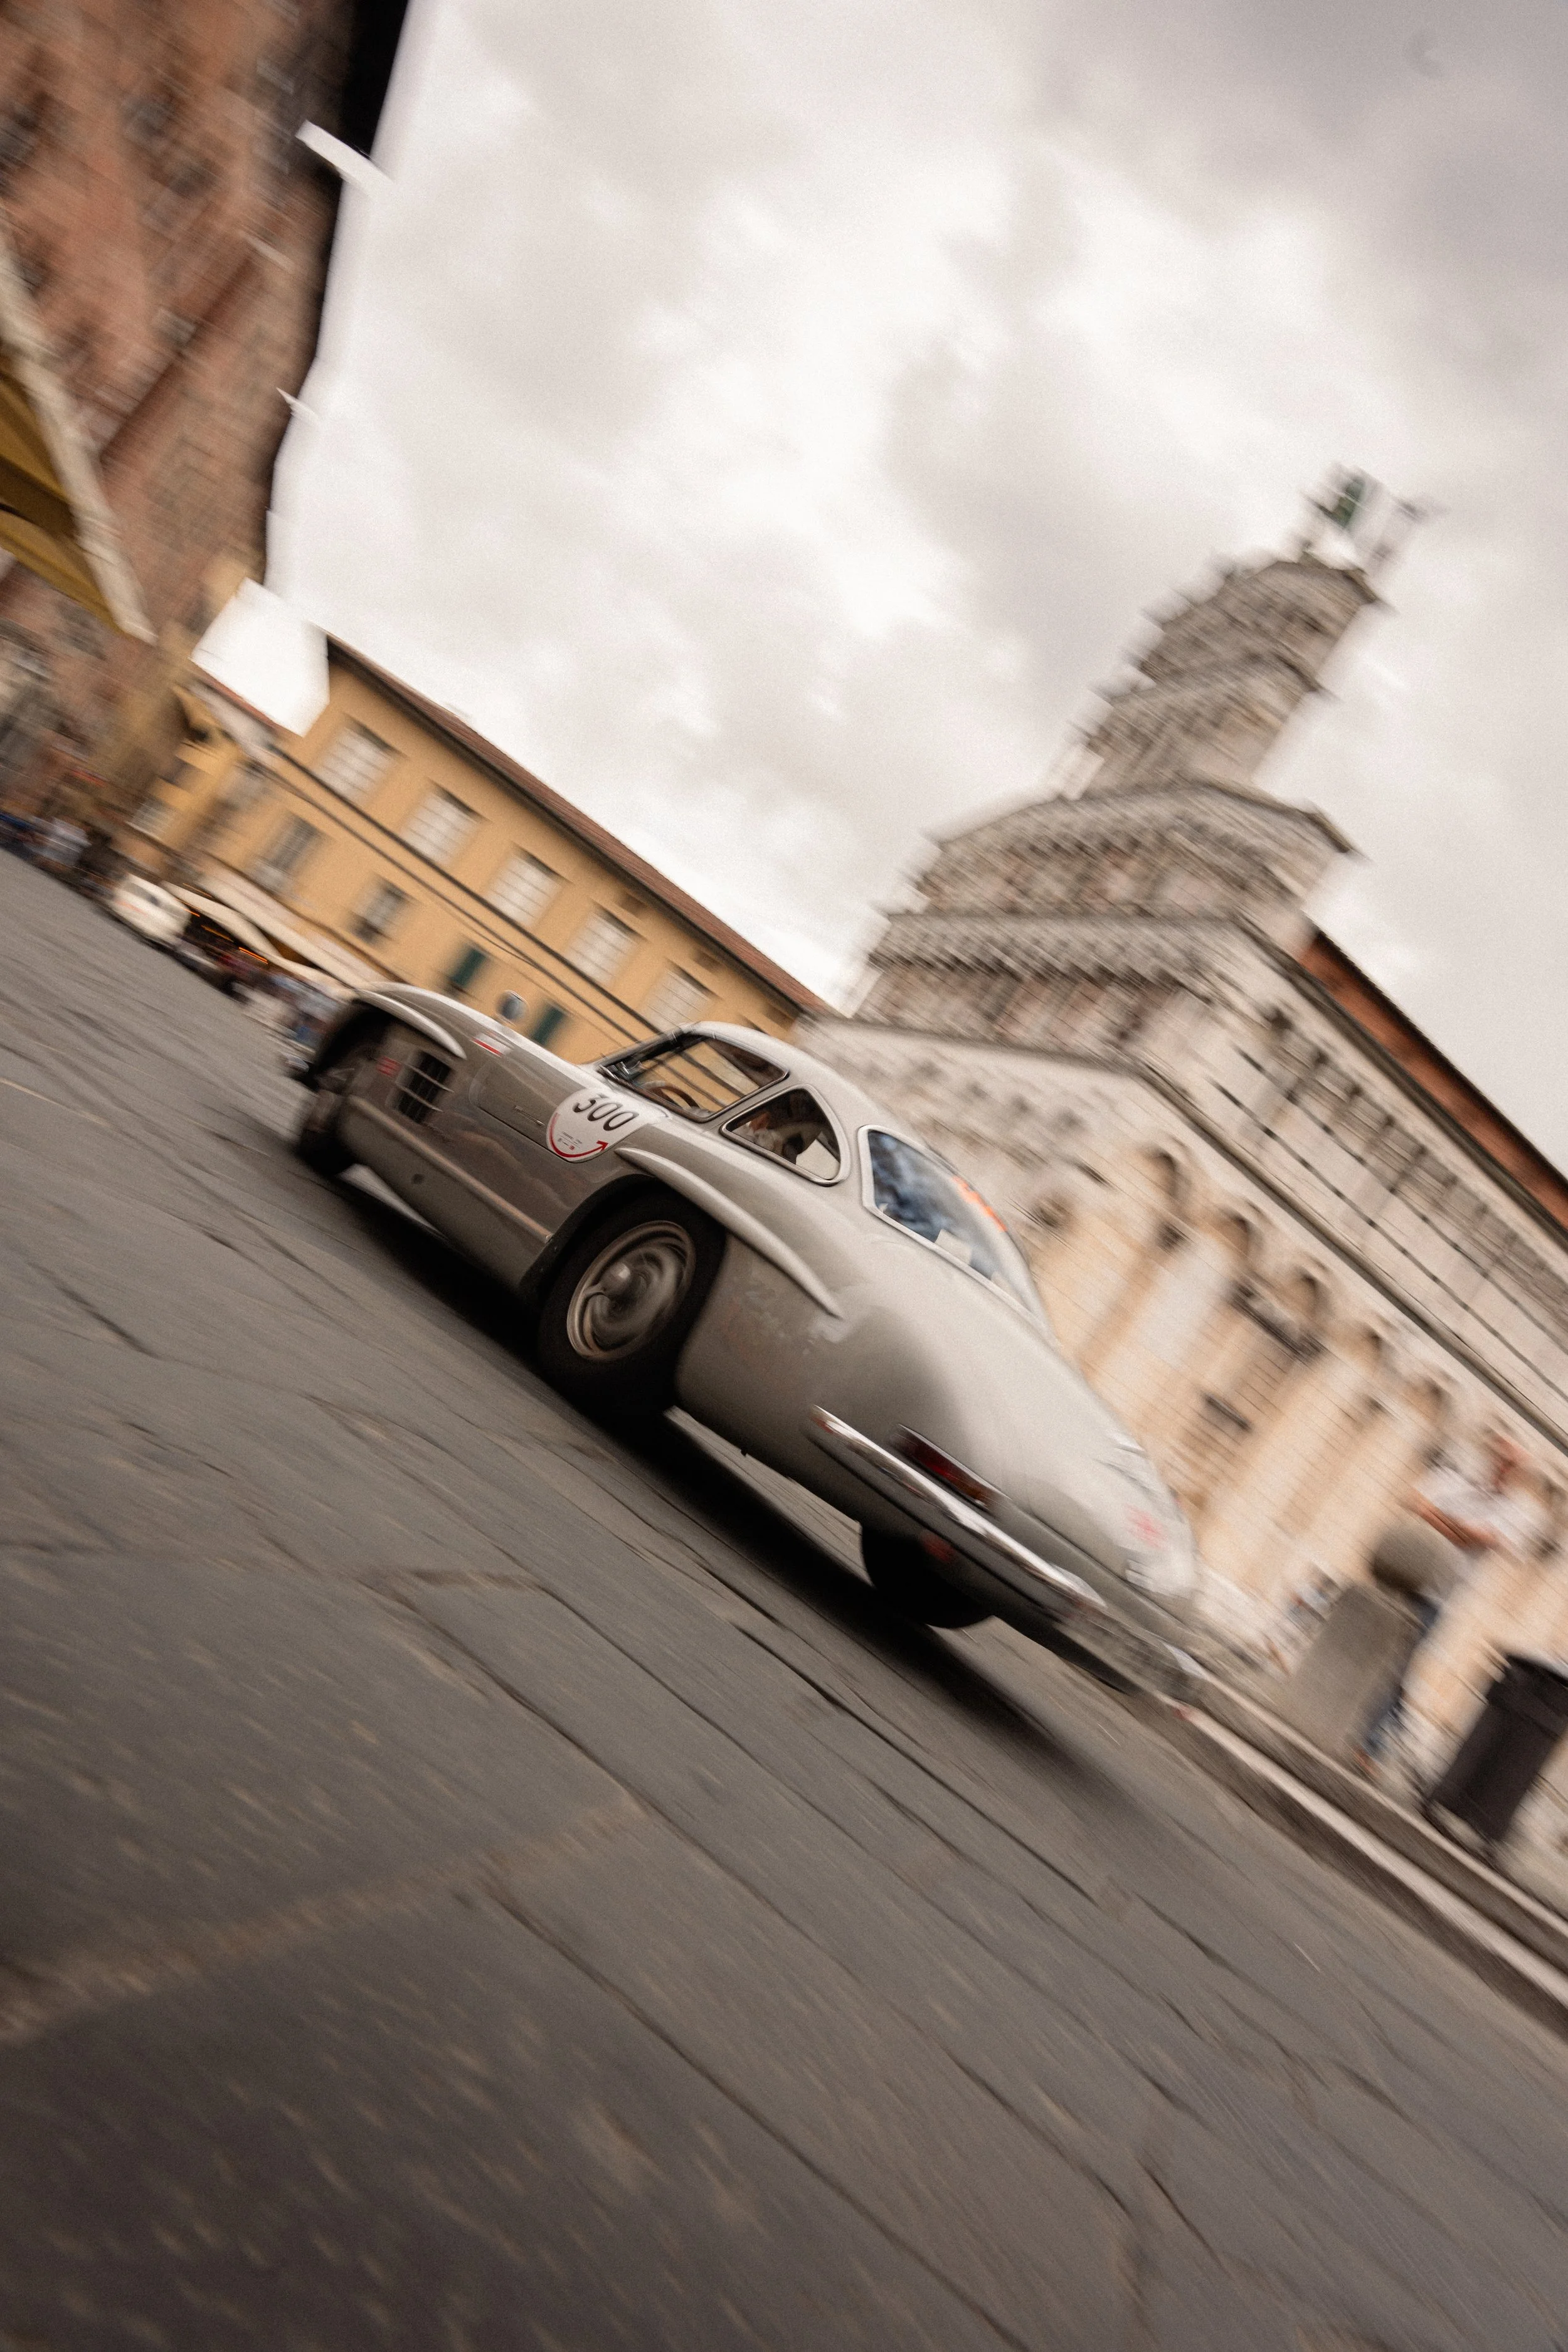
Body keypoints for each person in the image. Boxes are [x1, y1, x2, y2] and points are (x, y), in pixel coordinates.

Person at [1353, 1433, 1535, 1775]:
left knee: (1398, 1665)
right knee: (1364, 1637)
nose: (1504, 1466)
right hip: (1402, 1569)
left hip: (1437, 1593)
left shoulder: (1516, 1512)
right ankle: (1361, 1731)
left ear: (1519, 1472)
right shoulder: (1457, 1478)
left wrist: (1439, 1518)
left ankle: (1371, 1745)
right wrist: (1456, 1528)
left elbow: (1479, 1538)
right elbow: (1415, 1502)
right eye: (1502, 1457)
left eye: (1513, 1464)